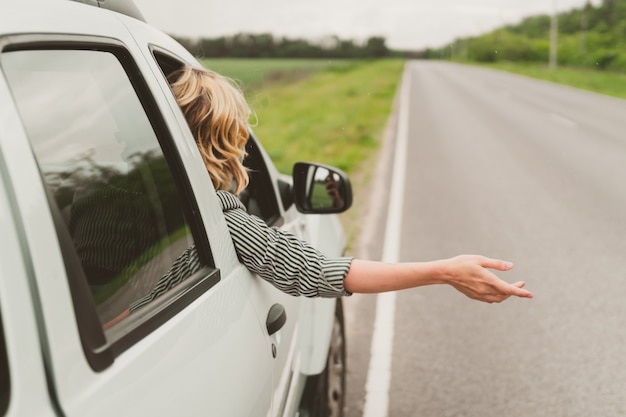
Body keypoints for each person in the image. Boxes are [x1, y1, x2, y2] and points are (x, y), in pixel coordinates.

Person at [163, 64, 533, 305]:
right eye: (239, 132)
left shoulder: (130, 197)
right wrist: (444, 271)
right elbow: (320, 272)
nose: (244, 146)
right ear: (225, 142)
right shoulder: (221, 218)